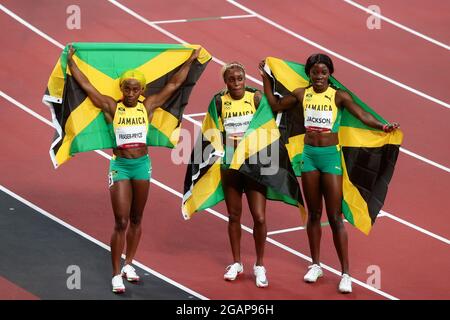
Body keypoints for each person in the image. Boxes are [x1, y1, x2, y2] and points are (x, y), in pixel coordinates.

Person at [259, 54, 399, 293]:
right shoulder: (302, 93)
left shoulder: (339, 96)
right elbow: (275, 105)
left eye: (324, 72)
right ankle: (315, 265)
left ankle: (346, 273)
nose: (319, 77)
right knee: (313, 214)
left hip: (330, 158)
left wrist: (382, 126)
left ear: (330, 74)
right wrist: (266, 77)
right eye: (315, 72)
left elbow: (362, 116)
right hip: (309, 157)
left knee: (335, 216)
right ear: (309, 74)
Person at [67, 44, 200, 293]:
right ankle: (116, 274)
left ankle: (129, 263)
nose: (130, 92)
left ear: (142, 90)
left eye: (135, 88)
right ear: (121, 89)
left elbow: (173, 85)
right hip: (121, 167)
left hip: (142, 166)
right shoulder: (111, 107)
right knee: (121, 221)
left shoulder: (146, 107)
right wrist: (71, 63)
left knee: (137, 218)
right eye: (126, 88)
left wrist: (190, 61)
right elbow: (87, 87)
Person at [217, 62, 268, 288]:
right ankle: (237, 263)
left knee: (259, 217)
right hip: (231, 166)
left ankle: (260, 265)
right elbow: (211, 129)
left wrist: (266, 75)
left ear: (245, 79)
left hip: (255, 165)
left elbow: (270, 121)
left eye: (240, 78)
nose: (236, 83)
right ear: (225, 82)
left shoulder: (255, 98)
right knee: (234, 216)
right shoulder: (219, 101)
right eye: (231, 79)